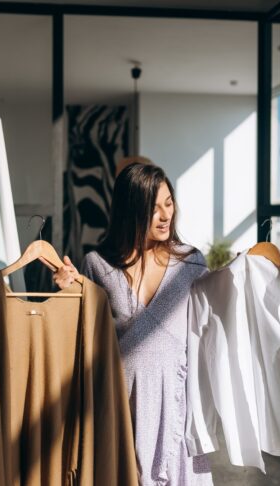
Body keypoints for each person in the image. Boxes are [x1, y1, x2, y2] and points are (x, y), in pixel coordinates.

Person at [52, 162, 213, 485]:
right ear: (130, 211)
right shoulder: (97, 265)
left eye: (169, 203)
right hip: (123, 410)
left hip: (178, 412)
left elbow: (211, 333)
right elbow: (83, 341)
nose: (166, 215)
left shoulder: (191, 263)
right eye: (153, 209)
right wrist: (67, 292)